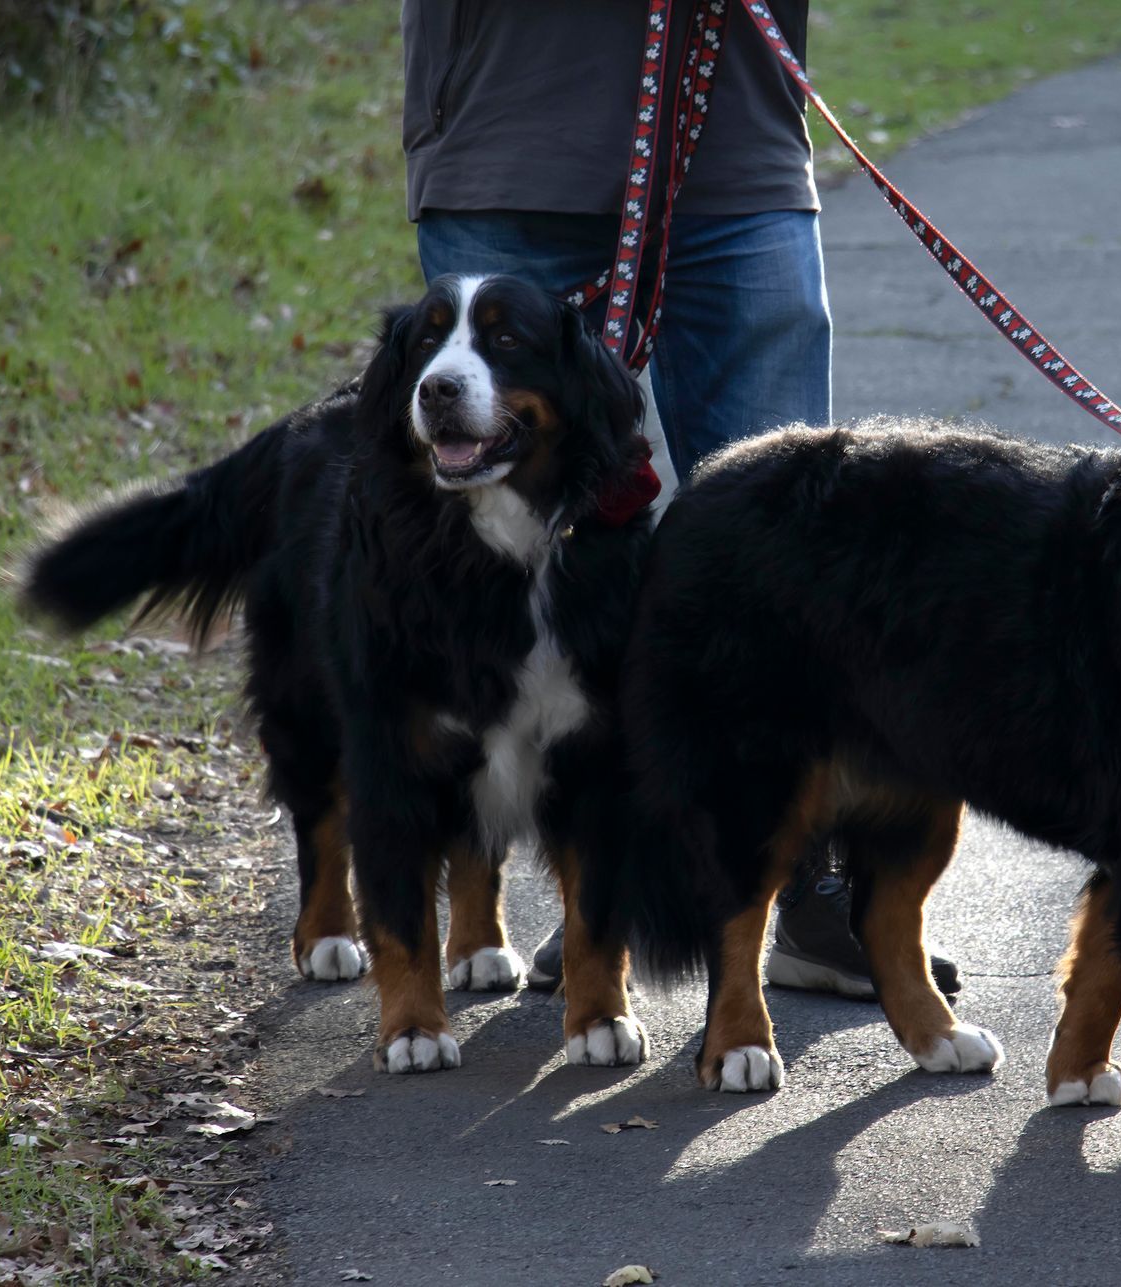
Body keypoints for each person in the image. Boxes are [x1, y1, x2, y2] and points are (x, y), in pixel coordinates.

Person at [400, 1, 958, 1000]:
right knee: (504, 557)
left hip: (735, 143)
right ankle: (573, 897)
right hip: (503, 132)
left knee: (787, 554)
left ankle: (811, 893)